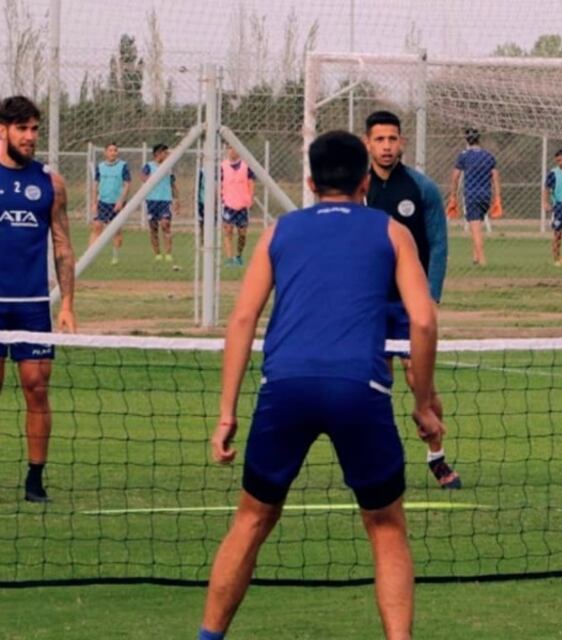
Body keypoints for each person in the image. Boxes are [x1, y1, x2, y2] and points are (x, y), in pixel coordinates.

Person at [199, 131, 442, 640]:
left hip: (284, 386)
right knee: (386, 525)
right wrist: (423, 403)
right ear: (363, 182)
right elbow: (422, 321)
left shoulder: (279, 231)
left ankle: (208, 637)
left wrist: (226, 412)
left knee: (251, 519)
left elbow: (242, 319)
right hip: (360, 389)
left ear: (310, 182)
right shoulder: (392, 232)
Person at [363, 110, 459, 489]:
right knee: (372, 383)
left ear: (401, 141)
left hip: (409, 303)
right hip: (369, 304)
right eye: (380, 139)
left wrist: (430, 297)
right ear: (368, 143)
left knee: (420, 379)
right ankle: (377, 459)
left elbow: (438, 244)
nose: (387, 146)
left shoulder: (422, 188)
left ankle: (437, 459)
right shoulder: (359, 189)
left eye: (393, 139)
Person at [0, 96, 76, 503]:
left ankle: (34, 480)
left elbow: (62, 245)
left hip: (31, 305)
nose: (30, 137)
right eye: (22, 129)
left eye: (34, 129)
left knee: (37, 388)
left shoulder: (50, 182)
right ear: (2, 130)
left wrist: (66, 305)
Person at [449, 128, 500, 266]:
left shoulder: (464, 155)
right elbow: (495, 176)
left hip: (471, 195)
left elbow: (455, 176)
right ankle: (475, 258)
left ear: (467, 140)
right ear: (479, 139)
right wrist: (497, 198)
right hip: (486, 195)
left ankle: (482, 260)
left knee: (475, 228)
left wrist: (453, 196)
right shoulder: (488, 156)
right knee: (476, 225)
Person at [88, 142, 131, 265]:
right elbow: (95, 185)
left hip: (117, 203)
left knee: (115, 230)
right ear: (105, 152)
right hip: (103, 202)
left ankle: (115, 257)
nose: (113, 153)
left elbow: (127, 184)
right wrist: (94, 203)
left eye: (115, 150)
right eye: (110, 150)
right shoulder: (100, 166)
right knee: (96, 226)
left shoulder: (123, 166)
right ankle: (89, 256)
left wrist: (121, 201)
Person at [141, 143, 180, 263]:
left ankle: (168, 254)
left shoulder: (169, 168)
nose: (168, 155)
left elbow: (173, 184)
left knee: (166, 225)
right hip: (152, 201)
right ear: (158, 153)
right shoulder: (148, 166)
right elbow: (143, 178)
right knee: (153, 228)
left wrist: (177, 200)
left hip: (165, 201)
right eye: (165, 153)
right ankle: (157, 254)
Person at [220, 145, 256, 266]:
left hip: (242, 205)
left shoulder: (246, 166)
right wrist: (219, 198)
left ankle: (238, 255)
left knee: (242, 233)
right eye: (230, 148)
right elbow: (219, 183)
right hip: (228, 204)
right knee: (228, 230)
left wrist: (250, 199)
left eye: (234, 147)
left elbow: (251, 183)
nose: (232, 150)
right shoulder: (222, 166)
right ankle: (229, 259)